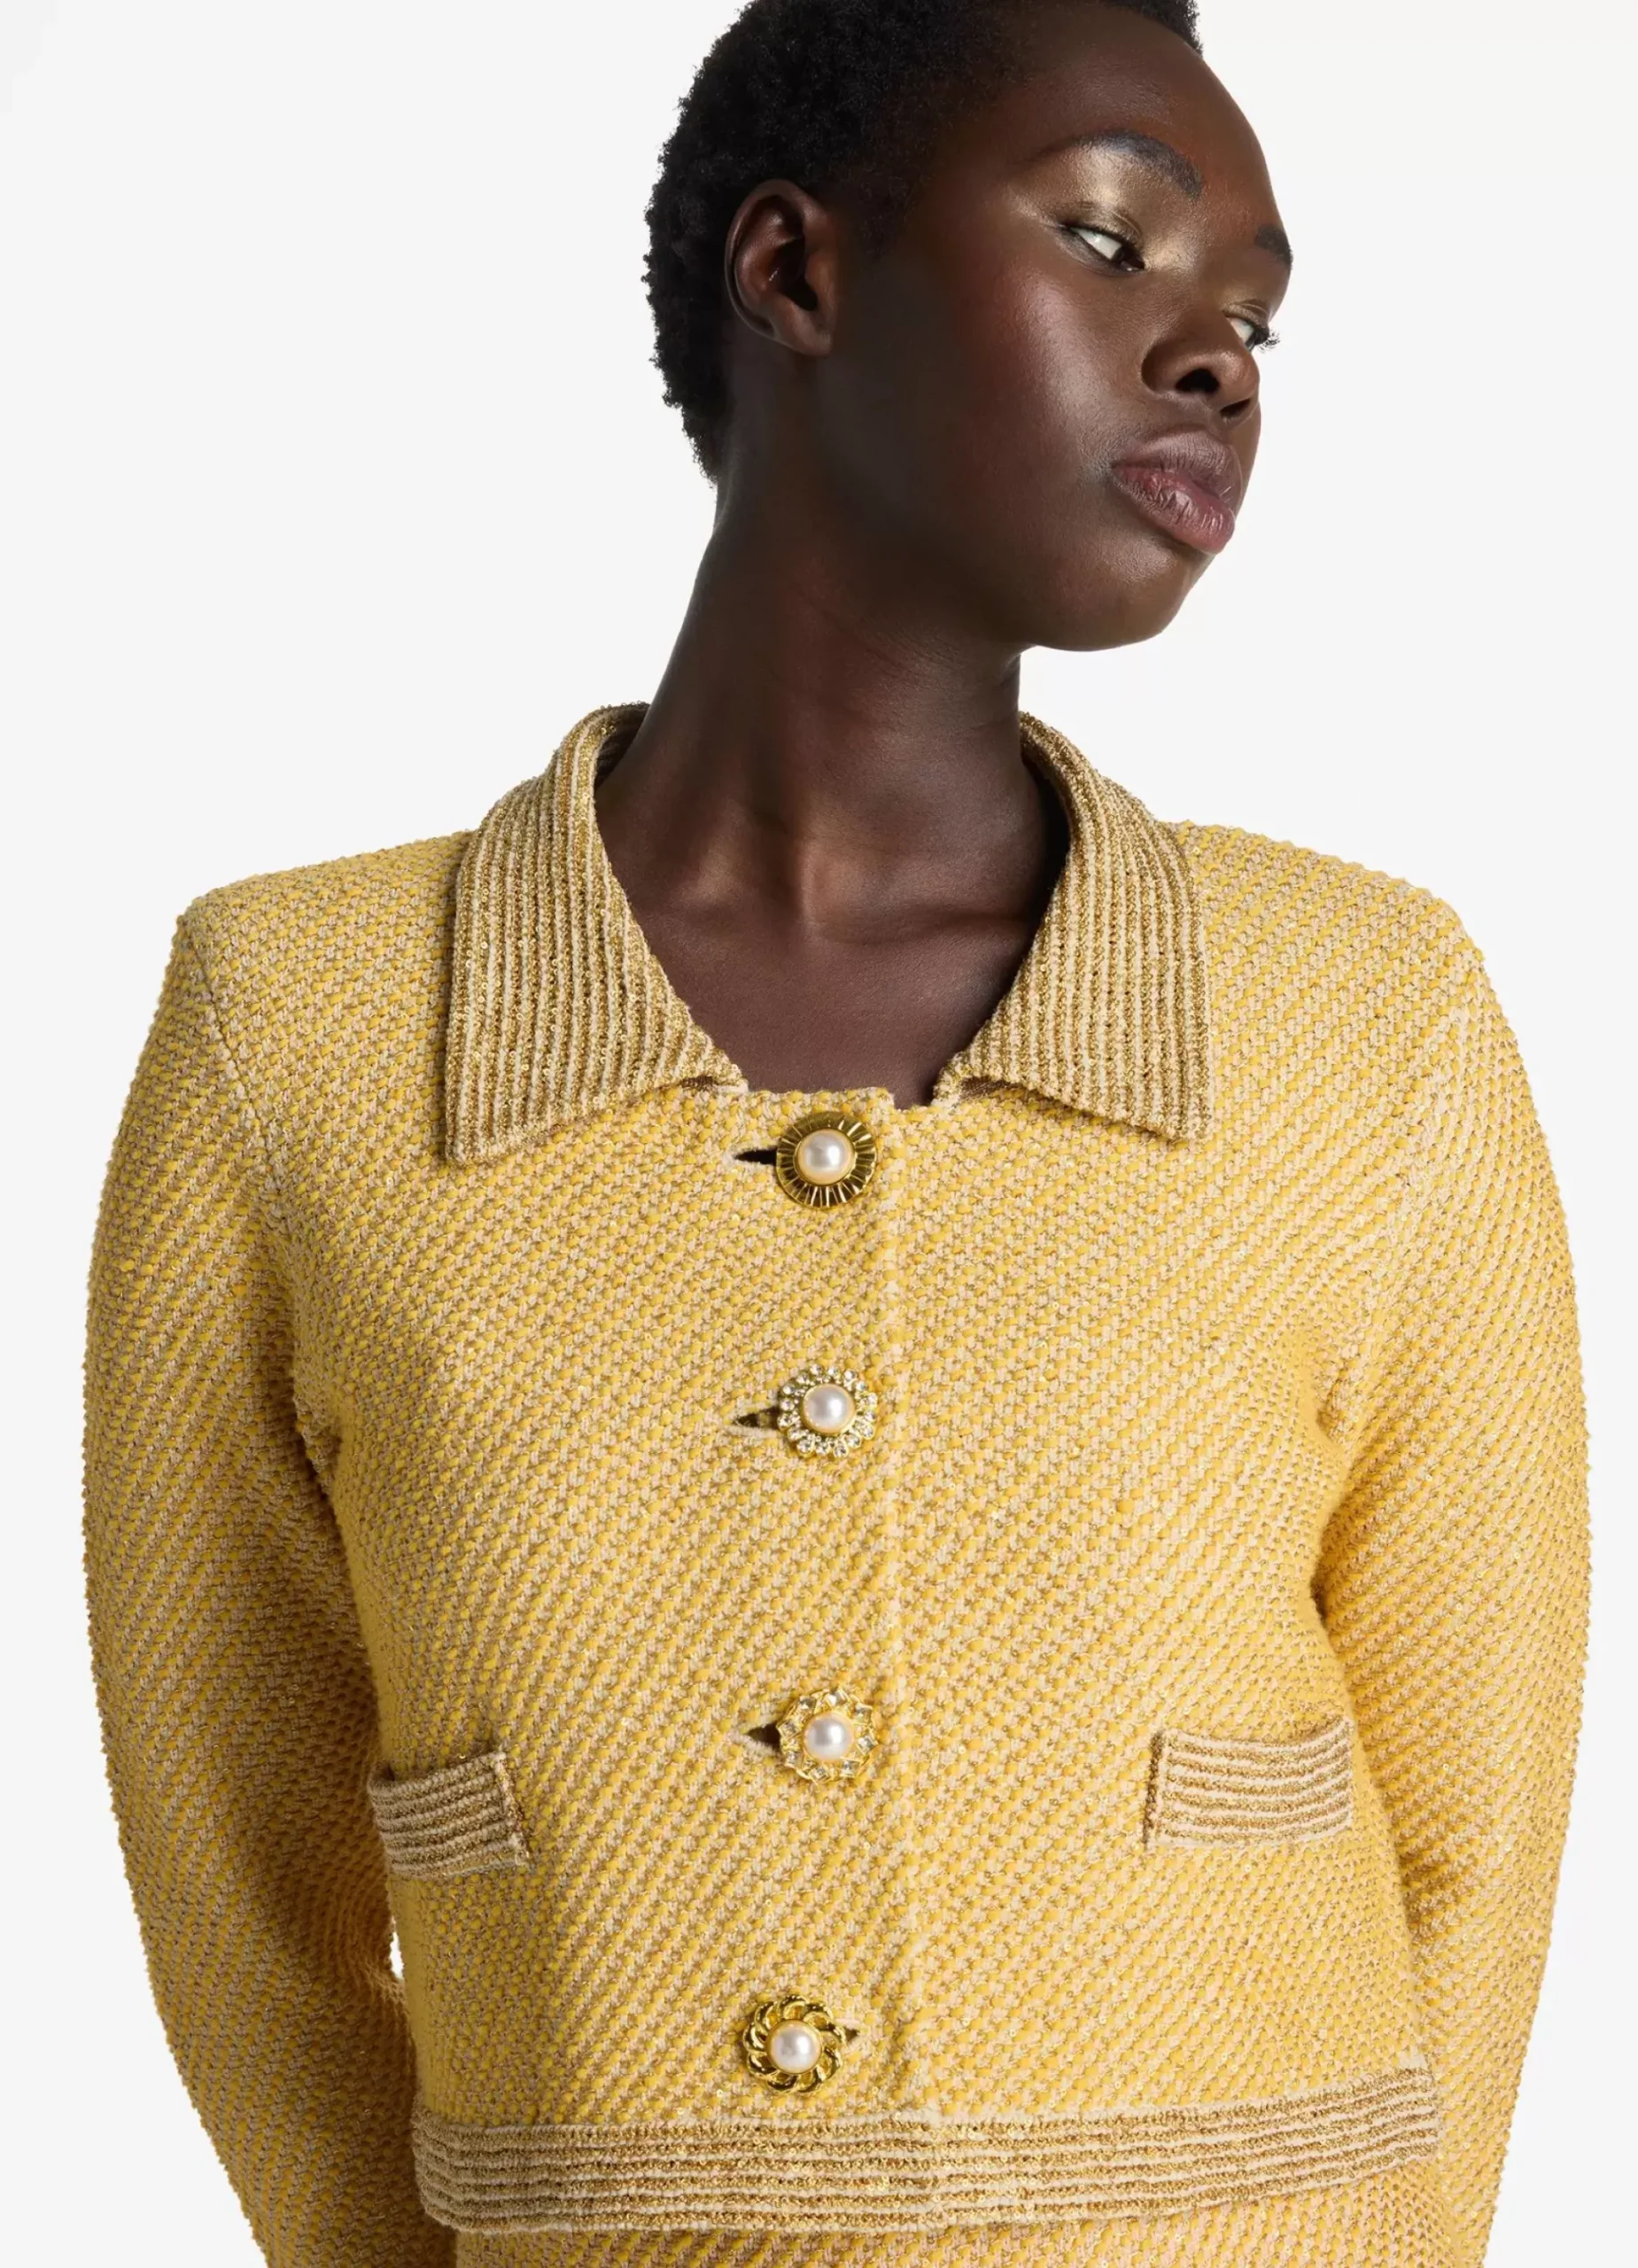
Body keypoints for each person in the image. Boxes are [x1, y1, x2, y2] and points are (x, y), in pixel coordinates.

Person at [82, 4, 1588, 2265]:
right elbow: (238, 1892)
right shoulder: (297, 1025)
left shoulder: (1367, 1012)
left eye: (1255, 318)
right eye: (1110, 241)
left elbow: (1475, 1838)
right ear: (794, 271)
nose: (1217, 359)